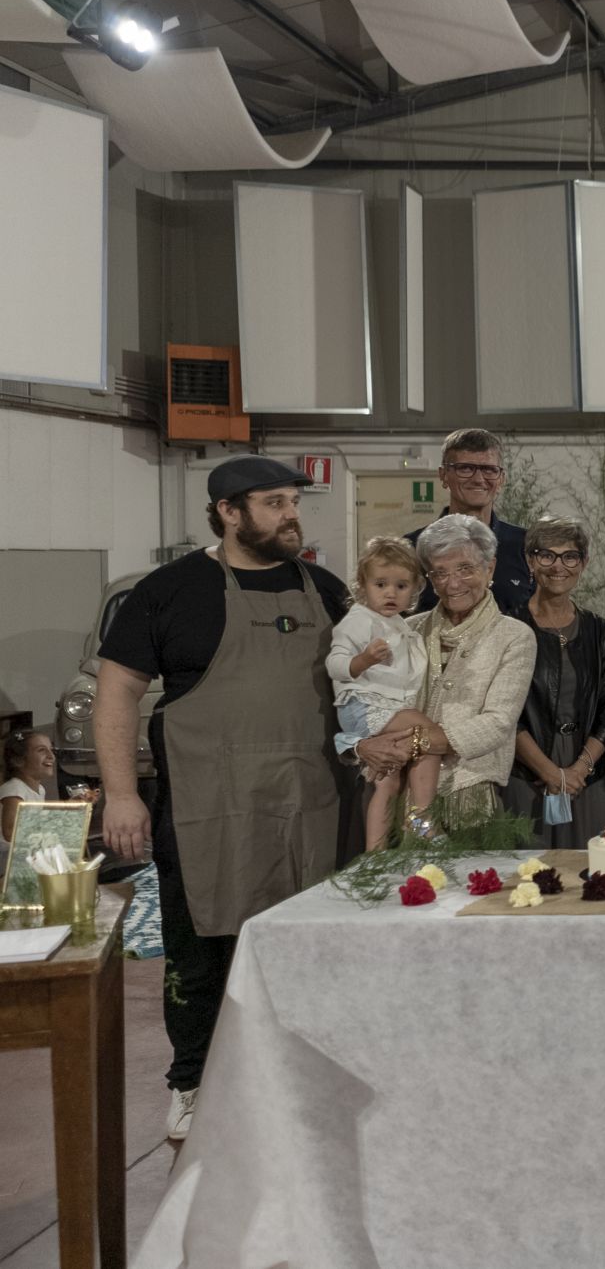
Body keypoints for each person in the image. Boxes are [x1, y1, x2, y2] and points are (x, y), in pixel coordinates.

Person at [96, 455, 350, 1142]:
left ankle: (300, 1074)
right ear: (228, 513)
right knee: (200, 947)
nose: (291, 516)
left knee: (306, 943)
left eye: (293, 502)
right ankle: (193, 1084)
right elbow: (116, 692)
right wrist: (121, 794)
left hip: (310, 801)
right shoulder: (169, 592)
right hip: (208, 805)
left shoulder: (326, 591)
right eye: (273, 503)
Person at [353, 516, 536, 822]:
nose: (452, 584)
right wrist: (365, 745)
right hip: (394, 788)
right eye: (440, 573)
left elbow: (497, 723)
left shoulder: (514, 636)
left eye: (465, 569)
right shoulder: (407, 629)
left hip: (468, 795)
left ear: (490, 568)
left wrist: (415, 743)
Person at [506, 517, 605, 845]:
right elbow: (505, 714)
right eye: (547, 555)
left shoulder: (599, 629)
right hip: (527, 770)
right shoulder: (509, 627)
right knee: (528, 866)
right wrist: (549, 772)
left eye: (570, 556)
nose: (559, 566)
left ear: (584, 562)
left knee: (588, 865)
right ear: (530, 561)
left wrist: (580, 769)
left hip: (586, 770)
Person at [326, 537, 437, 848]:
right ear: (363, 584)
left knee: (388, 782)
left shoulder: (397, 624)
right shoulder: (360, 620)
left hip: (382, 706)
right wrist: (363, 660)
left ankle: (376, 852)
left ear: (414, 589)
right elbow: (335, 664)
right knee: (430, 738)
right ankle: (422, 821)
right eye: (380, 584)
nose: (391, 593)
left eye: (401, 586)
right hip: (366, 706)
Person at [406, 428, 531, 615]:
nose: (478, 479)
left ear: (502, 479)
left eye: (489, 470)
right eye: (465, 468)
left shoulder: (527, 546)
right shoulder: (411, 550)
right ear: (443, 475)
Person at [1, 729, 55, 841]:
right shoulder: (14, 789)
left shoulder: (40, 789)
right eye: (41, 750)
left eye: (51, 750)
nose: (51, 756)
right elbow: (10, 832)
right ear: (18, 760)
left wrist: (71, 805)